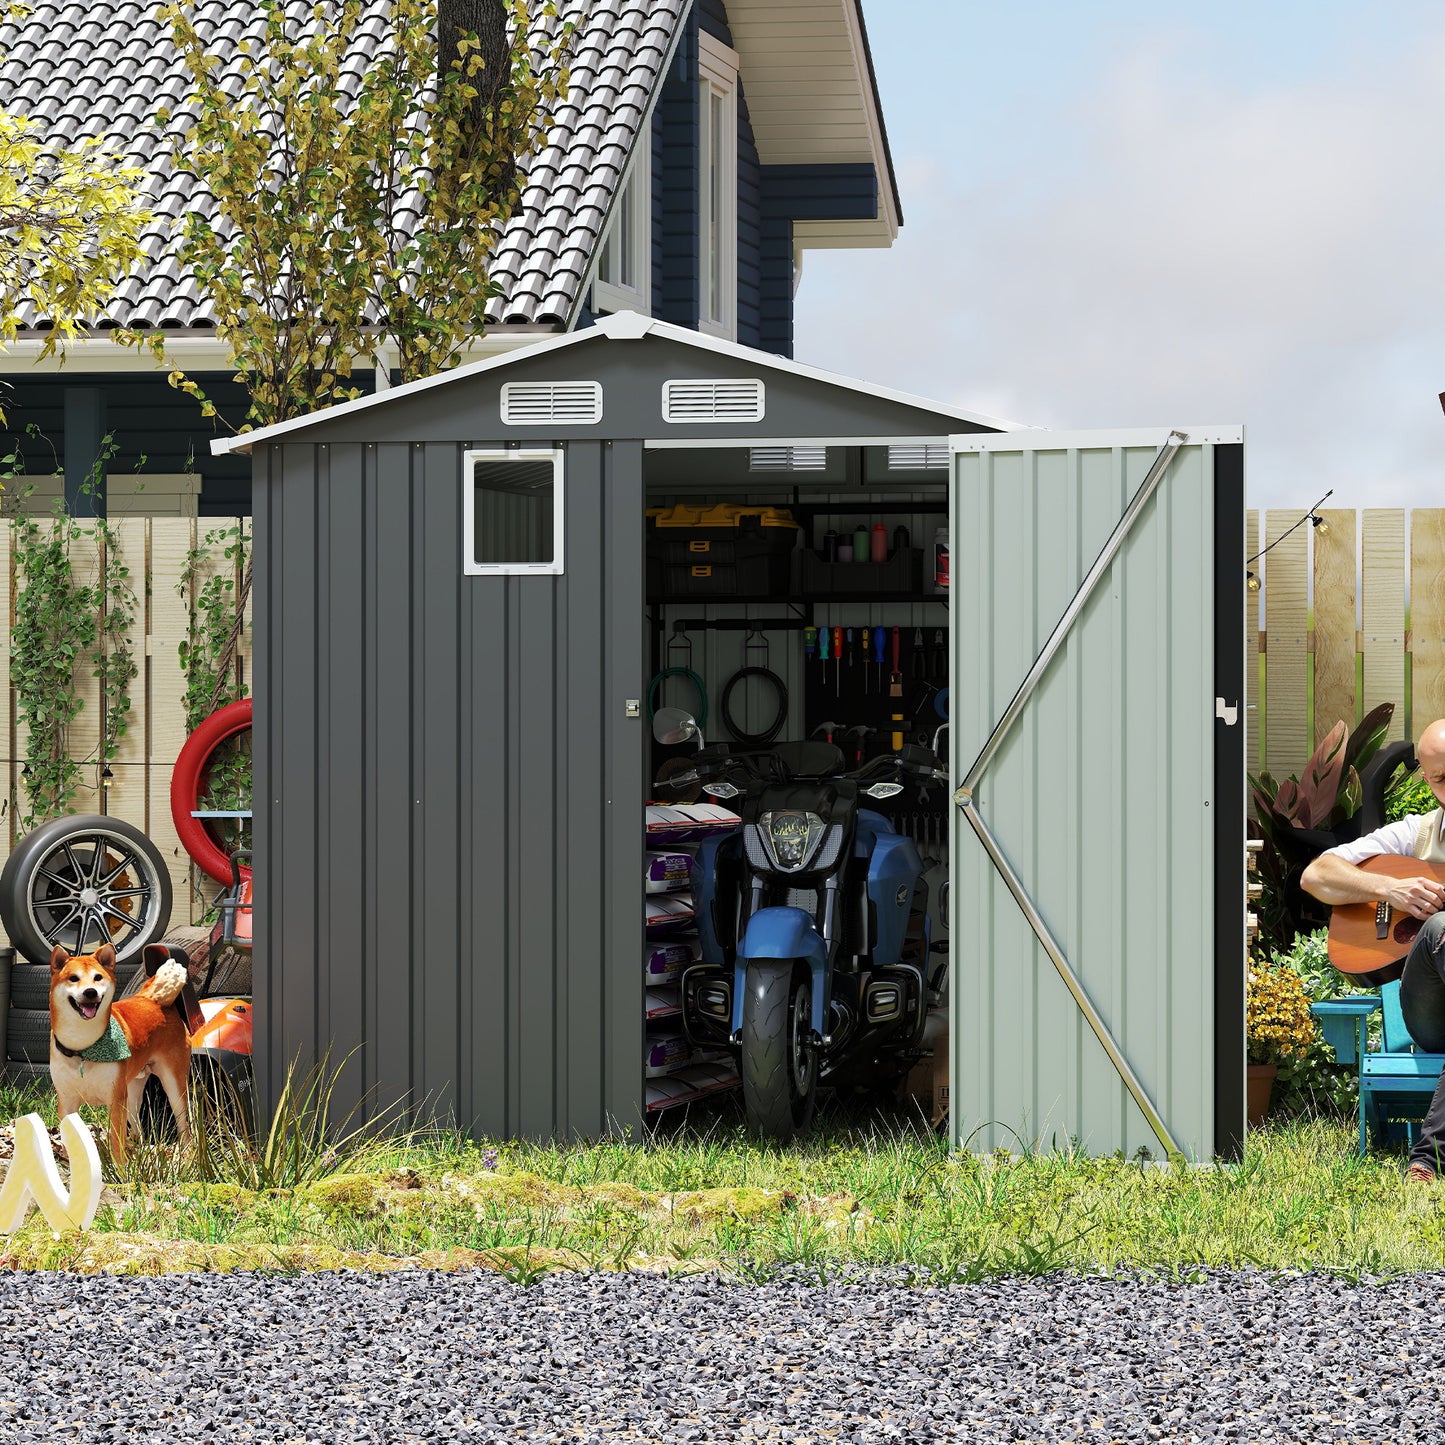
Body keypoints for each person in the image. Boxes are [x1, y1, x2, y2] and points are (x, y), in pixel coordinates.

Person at [1301, 718, 1445, 1182]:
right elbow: (1316, 876)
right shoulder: (1416, 834)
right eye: (1441, 779)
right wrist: (1389, 887)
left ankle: (1426, 1160)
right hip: (1430, 1008)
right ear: (1426, 778)